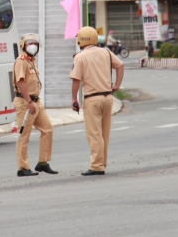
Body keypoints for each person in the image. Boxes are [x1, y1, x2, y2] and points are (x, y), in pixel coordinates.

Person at [70, 27, 124, 176]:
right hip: (108, 98)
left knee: (94, 134)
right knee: (104, 133)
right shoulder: (106, 52)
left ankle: (96, 166)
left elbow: (76, 80)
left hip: (92, 99)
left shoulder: (80, 57)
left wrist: (74, 99)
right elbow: (120, 65)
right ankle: (102, 163)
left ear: (82, 39)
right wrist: (117, 85)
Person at [12, 33, 57, 177]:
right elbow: (20, 82)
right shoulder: (21, 61)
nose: (32, 46)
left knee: (47, 129)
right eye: (29, 43)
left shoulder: (31, 61)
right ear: (23, 46)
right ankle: (22, 167)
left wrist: (33, 102)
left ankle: (43, 162)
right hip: (26, 103)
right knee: (24, 135)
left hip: (36, 102)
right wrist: (29, 102)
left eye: (35, 44)